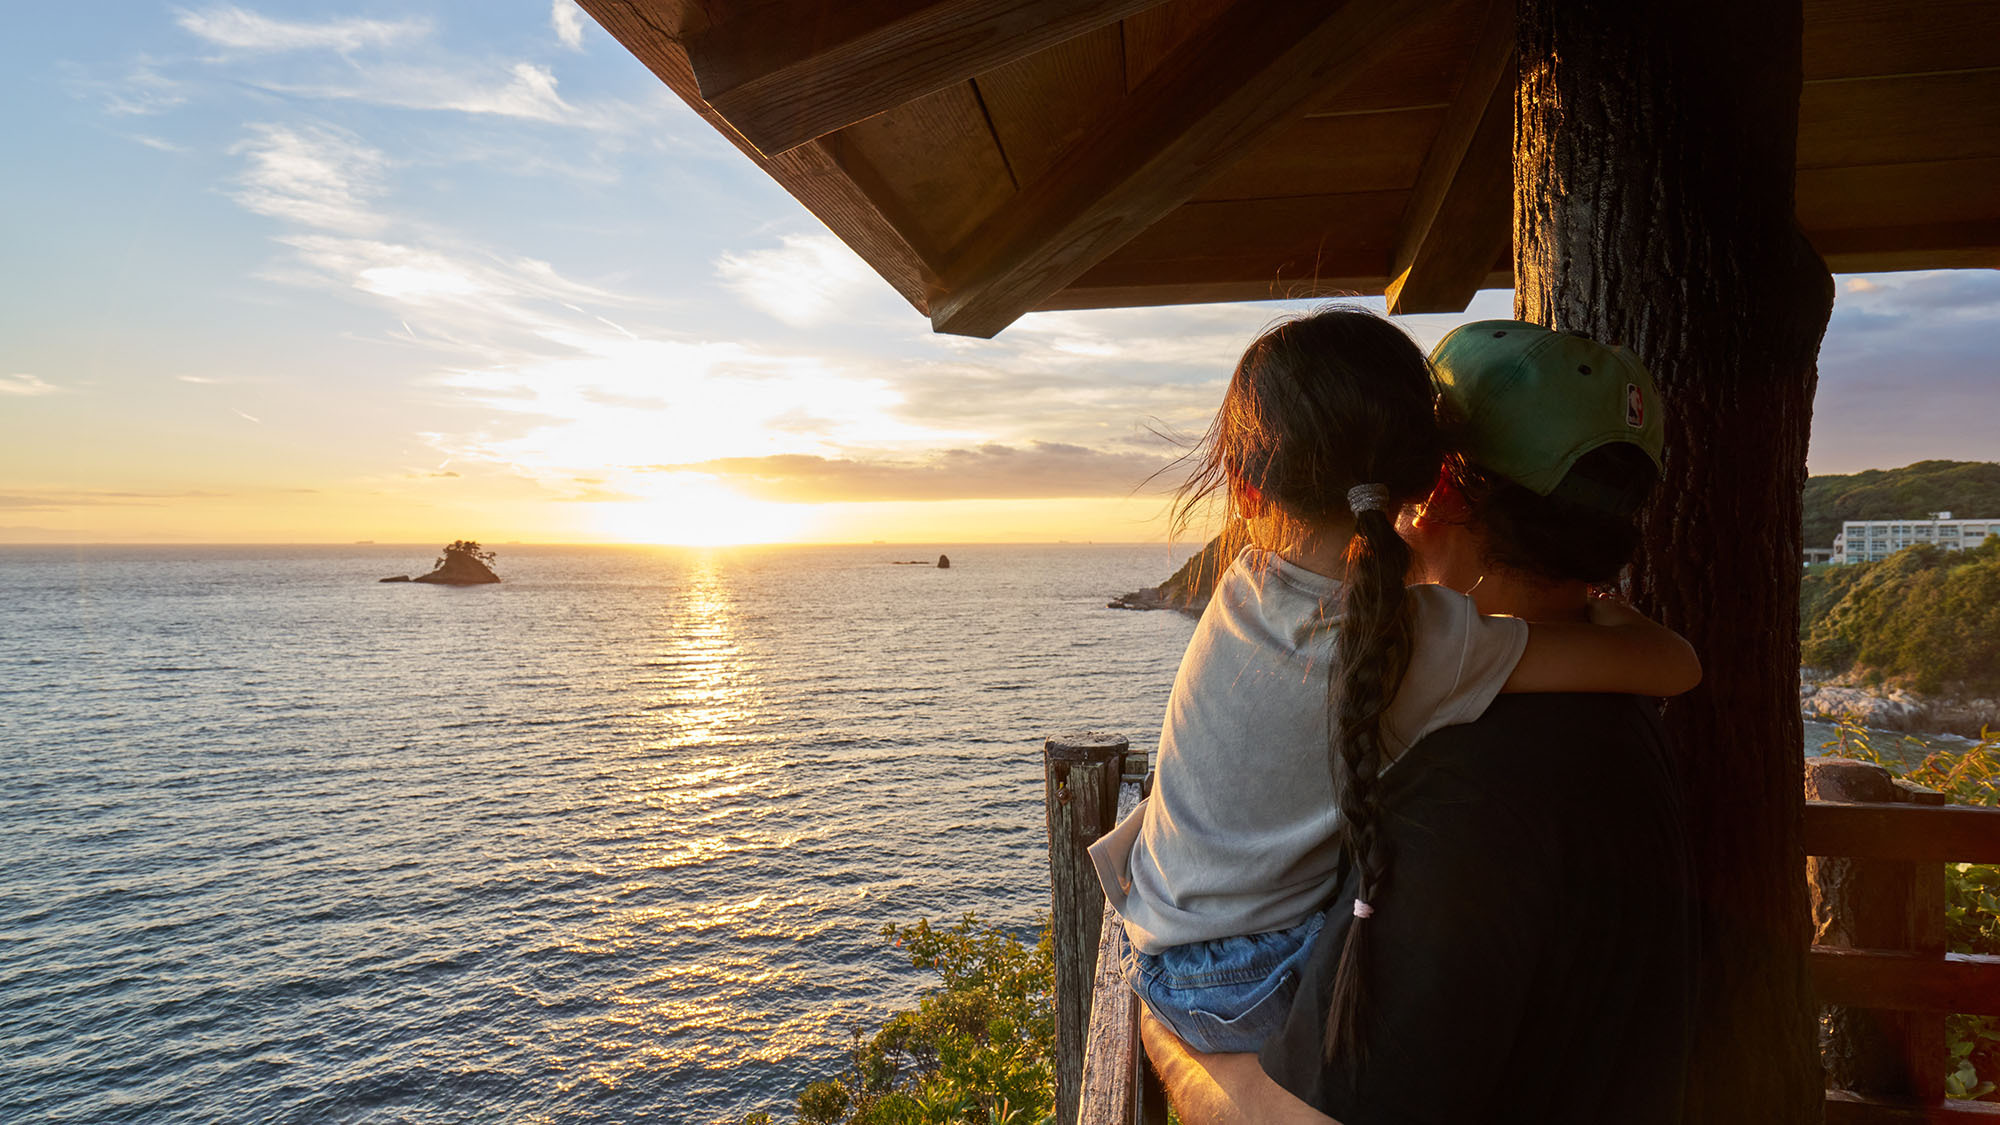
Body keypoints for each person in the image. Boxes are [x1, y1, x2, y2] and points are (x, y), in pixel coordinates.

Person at [1088, 309, 1699, 1059]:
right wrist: (1610, 617)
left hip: (1169, 939)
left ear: (1249, 492)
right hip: (1233, 974)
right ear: (1423, 478)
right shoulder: (1422, 643)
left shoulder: (1248, 581)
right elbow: (1676, 665)